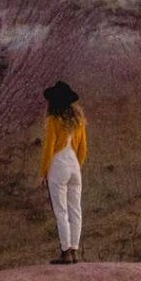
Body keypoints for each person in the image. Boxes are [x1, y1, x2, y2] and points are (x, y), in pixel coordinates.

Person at [39, 80, 86, 264]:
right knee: (76, 209)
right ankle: (74, 249)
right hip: (74, 164)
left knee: (61, 210)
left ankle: (65, 251)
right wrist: (77, 166)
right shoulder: (79, 122)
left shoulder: (53, 120)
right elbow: (83, 149)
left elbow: (48, 147)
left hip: (58, 164)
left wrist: (43, 172)